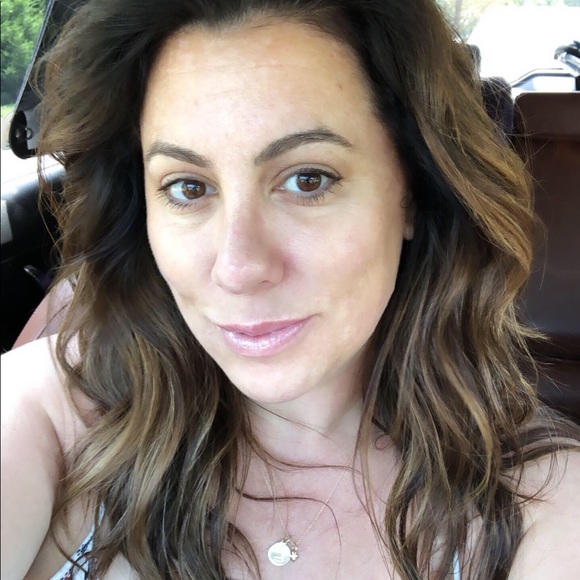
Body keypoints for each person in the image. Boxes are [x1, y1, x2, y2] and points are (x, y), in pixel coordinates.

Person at [1, 0, 579, 578]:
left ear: (412, 194)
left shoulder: (544, 507)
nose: (237, 268)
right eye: (188, 187)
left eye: (308, 179)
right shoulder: (47, 419)